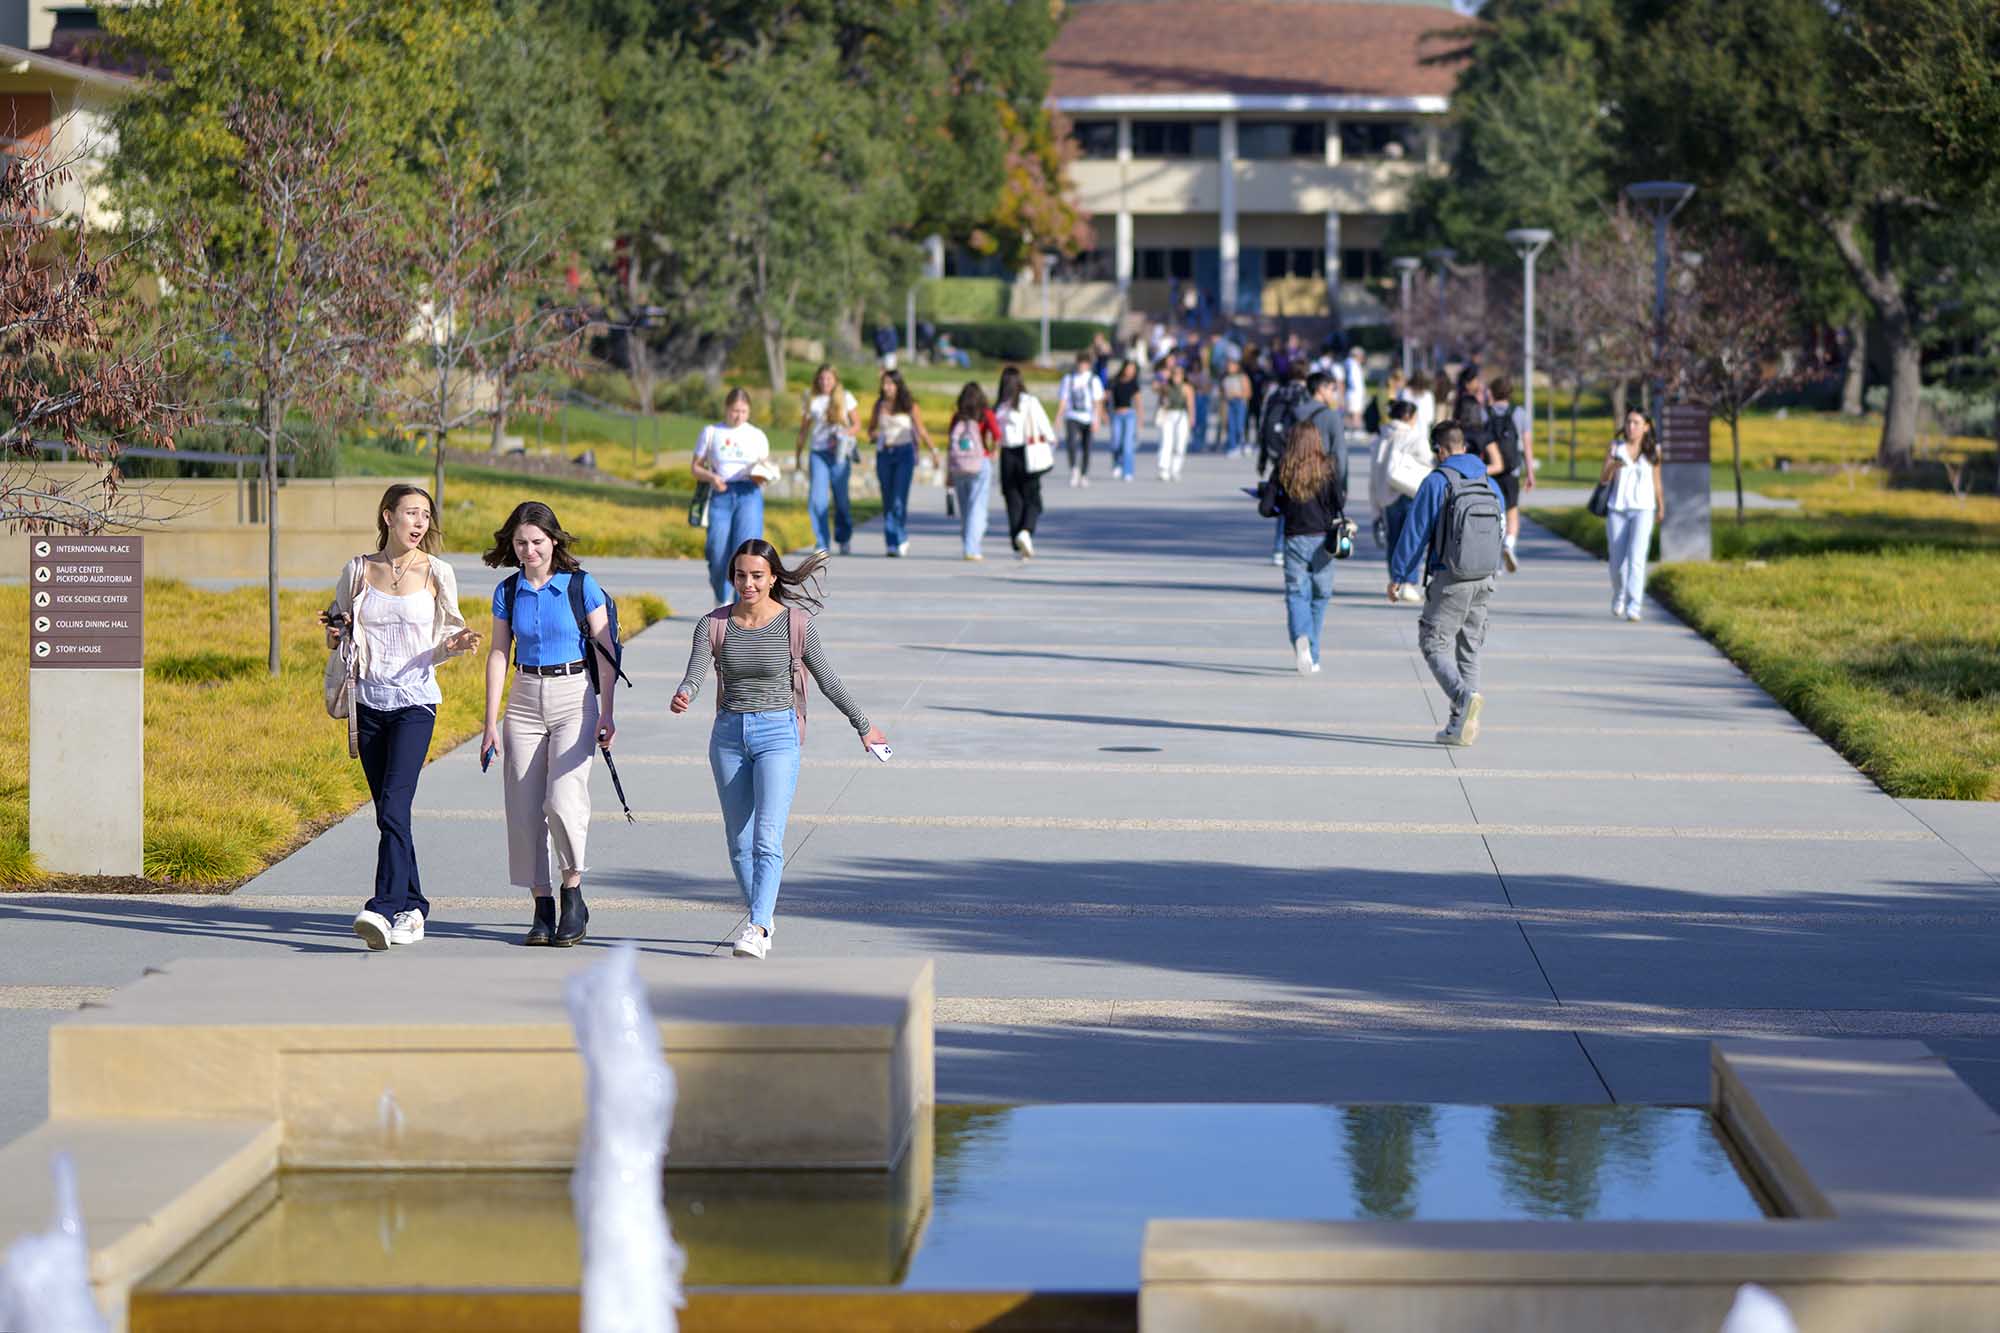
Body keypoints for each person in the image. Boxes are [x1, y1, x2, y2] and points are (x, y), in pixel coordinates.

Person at [671, 541, 887, 959]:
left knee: (767, 839)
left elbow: (827, 679)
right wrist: (685, 692)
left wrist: (863, 724)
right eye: (740, 575)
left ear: (772, 578)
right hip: (729, 735)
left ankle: (756, 928)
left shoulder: (795, 624)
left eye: (756, 575)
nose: (747, 583)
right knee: (738, 842)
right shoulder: (713, 623)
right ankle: (764, 913)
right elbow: (696, 671)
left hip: (777, 735)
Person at [323, 484, 480, 951]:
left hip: (415, 702)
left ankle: (384, 908)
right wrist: (335, 631)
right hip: (368, 701)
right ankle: (414, 907)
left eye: (426, 516)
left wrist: (453, 646)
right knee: (390, 813)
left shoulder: (438, 572)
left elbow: (449, 632)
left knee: (394, 805)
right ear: (387, 516)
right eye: (411, 513)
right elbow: (339, 629)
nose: (419, 523)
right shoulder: (356, 570)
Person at [481, 501, 621, 946]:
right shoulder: (508, 590)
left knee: (563, 801)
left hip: (573, 695)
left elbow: (605, 651)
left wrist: (607, 711)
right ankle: (541, 906)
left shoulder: (581, 586)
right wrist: (489, 722)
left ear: (554, 540)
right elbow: (500, 653)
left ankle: (572, 893)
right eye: (521, 543)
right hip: (523, 699)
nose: (529, 550)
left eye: (537, 542)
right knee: (522, 811)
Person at [1388, 421, 1505, 747]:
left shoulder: (1437, 481)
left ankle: (1462, 698)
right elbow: (1502, 527)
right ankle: (1460, 727)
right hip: (1484, 576)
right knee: (1469, 648)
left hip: (1451, 576)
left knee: (1432, 642)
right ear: (1464, 446)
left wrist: (1399, 575)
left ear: (1440, 450)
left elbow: (1415, 532)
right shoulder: (1489, 482)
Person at [1259, 421, 1346, 675]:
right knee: (1320, 595)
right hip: (1324, 540)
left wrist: (1276, 501)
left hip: (1294, 538)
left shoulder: (1283, 468)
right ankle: (1313, 654)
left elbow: (1265, 508)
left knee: (1297, 593)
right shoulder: (1328, 466)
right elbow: (1338, 501)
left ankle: (1301, 637)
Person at [691, 388, 772, 604]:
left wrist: (763, 474)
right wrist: (712, 477)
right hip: (721, 493)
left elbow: (766, 467)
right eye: (735, 411)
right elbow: (695, 467)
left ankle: (741, 605)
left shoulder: (756, 435)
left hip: (749, 493)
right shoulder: (711, 432)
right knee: (716, 551)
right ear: (726, 409)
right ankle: (721, 594)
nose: (739, 416)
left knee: (746, 552)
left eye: (744, 411)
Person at [1600, 408, 1665, 621]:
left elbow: (1657, 481)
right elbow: (1603, 479)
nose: (1631, 427)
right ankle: (1619, 594)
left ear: (1646, 427)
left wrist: (1661, 505)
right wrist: (1613, 467)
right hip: (1617, 509)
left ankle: (1634, 605)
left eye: (1636, 423)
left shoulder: (1654, 450)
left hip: (1644, 509)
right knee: (1617, 563)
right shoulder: (1615, 447)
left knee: (1637, 559)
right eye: (1628, 422)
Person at [870, 368, 937, 558]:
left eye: (890, 383)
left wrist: (934, 451)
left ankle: (900, 536)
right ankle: (892, 542)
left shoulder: (909, 405)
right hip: (885, 454)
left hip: (904, 454)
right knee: (888, 499)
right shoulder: (879, 405)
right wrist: (876, 435)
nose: (886, 387)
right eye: (884, 383)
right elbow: (871, 430)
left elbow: (922, 430)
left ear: (898, 385)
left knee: (899, 499)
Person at [794, 364, 859, 556]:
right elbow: (804, 429)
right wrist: (798, 454)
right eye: (821, 379)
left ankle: (844, 537)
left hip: (839, 454)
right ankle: (822, 542)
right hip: (818, 453)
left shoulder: (846, 397)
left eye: (828, 379)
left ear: (835, 380)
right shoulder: (811, 399)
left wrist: (845, 433)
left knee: (842, 501)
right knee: (817, 499)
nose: (824, 382)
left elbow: (857, 424)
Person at [1370, 399, 1429, 604]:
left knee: (1393, 541)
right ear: (1407, 416)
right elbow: (1427, 461)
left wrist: (1375, 506)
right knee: (1414, 540)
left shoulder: (1381, 437)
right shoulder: (1415, 437)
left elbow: (1374, 473)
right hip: (1411, 494)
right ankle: (1409, 583)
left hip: (1387, 496)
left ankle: (1395, 580)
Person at [993, 364, 1055, 559]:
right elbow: (1044, 426)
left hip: (1007, 455)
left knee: (1012, 498)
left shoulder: (999, 407)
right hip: (1028, 454)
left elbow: (996, 434)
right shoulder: (1029, 401)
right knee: (1033, 499)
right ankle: (1026, 531)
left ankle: (1016, 540)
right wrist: (1051, 441)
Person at [1482, 375, 1534, 573]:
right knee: (1512, 512)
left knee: (1491, 514)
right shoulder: (1520, 413)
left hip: (1490, 469)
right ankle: (1509, 545)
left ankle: (1493, 560)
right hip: (1511, 470)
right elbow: (1527, 447)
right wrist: (1530, 473)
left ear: (1492, 392)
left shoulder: (1484, 413)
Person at [946, 381, 1001, 560]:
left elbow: (950, 445)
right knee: (977, 507)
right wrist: (993, 451)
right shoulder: (985, 414)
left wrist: (948, 472)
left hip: (959, 467)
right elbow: (998, 435)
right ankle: (971, 548)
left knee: (965, 508)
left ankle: (969, 542)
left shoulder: (957, 417)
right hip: (980, 463)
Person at [1056, 351, 1106, 486]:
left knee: (1087, 447)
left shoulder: (1093, 380)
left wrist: (1097, 420)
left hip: (1088, 417)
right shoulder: (1069, 379)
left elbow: (1098, 402)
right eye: (1080, 363)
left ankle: (1084, 474)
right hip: (1072, 416)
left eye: (1085, 363)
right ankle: (1074, 469)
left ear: (1089, 365)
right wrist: (1058, 417)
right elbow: (1063, 399)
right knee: (1071, 444)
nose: (1082, 366)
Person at [1152, 360, 1194, 481]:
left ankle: (1175, 469)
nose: (1177, 376)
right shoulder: (1165, 386)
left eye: (1179, 374)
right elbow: (1154, 388)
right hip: (1167, 415)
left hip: (1181, 415)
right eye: (1174, 373)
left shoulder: (1186, 387)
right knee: (1166, 441)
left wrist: (1192, 418)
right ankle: (1164, 469)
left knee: (1180, 443)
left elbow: (1191, 404)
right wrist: (1161, 378)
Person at [1106, 359, 1141, 481]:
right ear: (1124, 368)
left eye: (1133, 369)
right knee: (1116, 442)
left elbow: (1138, 402)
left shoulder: (1134, 383)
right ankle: (1117, 464)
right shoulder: (1114, 382)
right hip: (1116, 415)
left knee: (1128, 444)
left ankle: (1128, 471)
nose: (1130, 371)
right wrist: (1103, 413)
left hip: (1130, 415)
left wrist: (1140, 418)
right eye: (1129, 368)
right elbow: (1107, 398)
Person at [1221, 357, 1252, 457]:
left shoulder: (1242, 377)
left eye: (1231, 365)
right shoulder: (1225, 378)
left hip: (1239, 403)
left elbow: (1248, 393)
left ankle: (1243, 445)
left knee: (1239, 426)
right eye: (1228, 365)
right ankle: (1233, 447)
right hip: (1229, 403)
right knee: (1231, 426)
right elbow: (1223, 393)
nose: (1229, 367)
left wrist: (1236, 394)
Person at [1344, 346, 1368, 428]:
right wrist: (1355, 389)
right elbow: (1352, 379)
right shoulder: (1351, 364)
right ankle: (1355, 429)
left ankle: (1352, 429)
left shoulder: (1353, 364)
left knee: (1354, 412)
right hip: (1354, 392)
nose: (1362, 357)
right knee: (1355, 412)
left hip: (1354, 392)